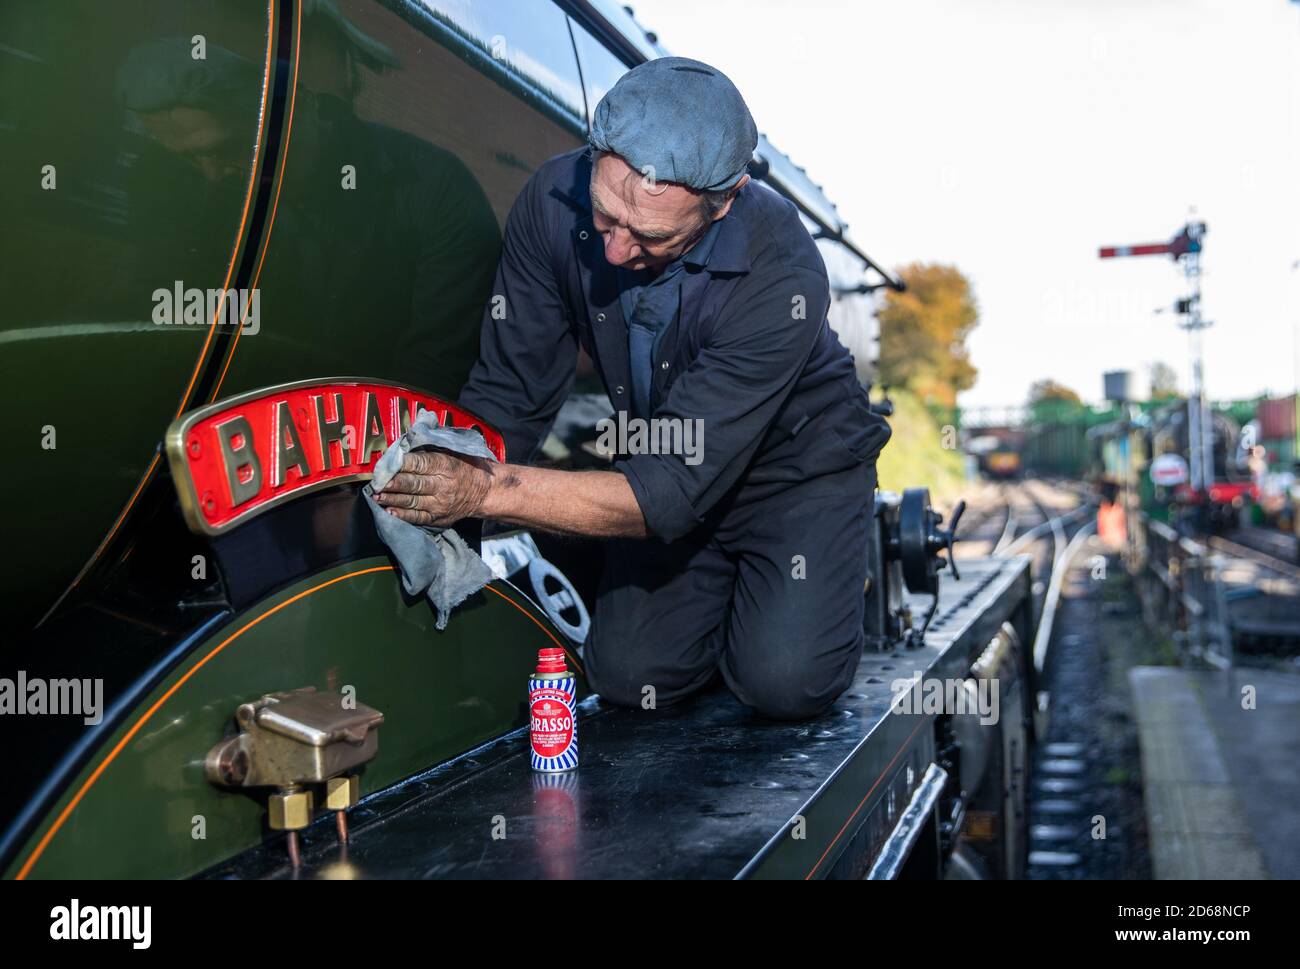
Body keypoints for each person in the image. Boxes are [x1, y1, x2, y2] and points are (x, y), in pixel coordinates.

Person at [375, 57, 891, 720]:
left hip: (794, 472)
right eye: (605, 216)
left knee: (783, 683)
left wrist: (483, 490)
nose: (614, 252)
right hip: (670, 456)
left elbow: (668, 493)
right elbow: (510, 388)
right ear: (594, 157)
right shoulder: (551, 202)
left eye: (650, 236)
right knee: (627, 674)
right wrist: (443, 480)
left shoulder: (784, 271)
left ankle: (823, 575)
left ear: (724, 201)